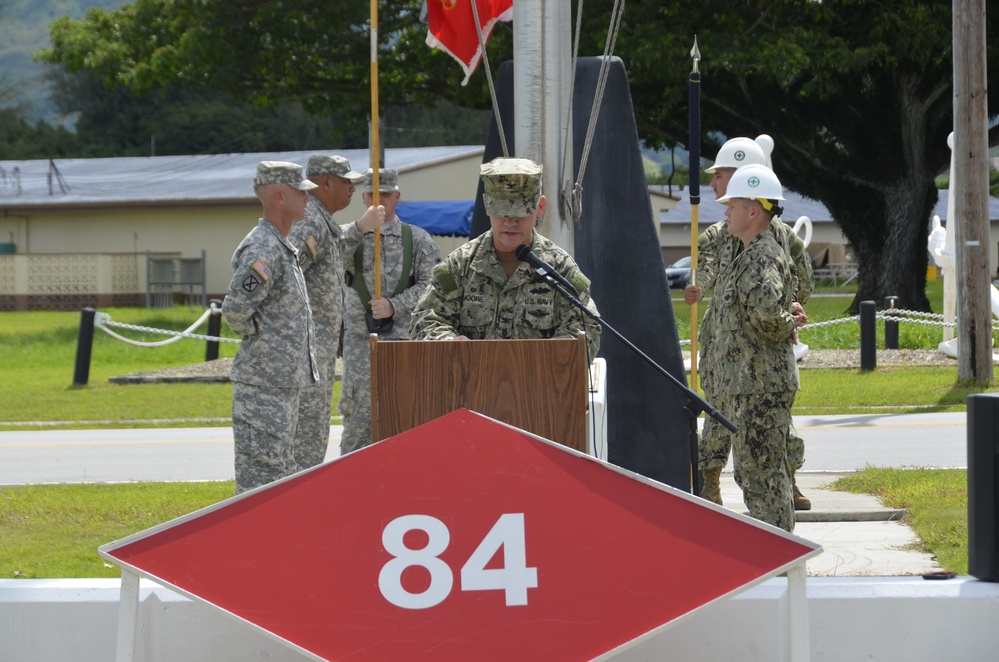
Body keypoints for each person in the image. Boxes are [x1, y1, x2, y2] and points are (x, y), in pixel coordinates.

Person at [685, 136, 814, 510]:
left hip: (761, 363)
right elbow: (703, 267)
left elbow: (800, 283)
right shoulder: (725, 234)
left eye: (721, 175)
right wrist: (698, 285)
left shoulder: (775, 242)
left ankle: (785, 486)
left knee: (767, 445)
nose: (714, 184)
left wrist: (787, 308)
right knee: (720, 422)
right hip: (729, 354)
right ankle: (711, 482)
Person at [411, 156, 601, 360]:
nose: (510, 222)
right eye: (502, 212)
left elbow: (587, 327)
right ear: (487, 205)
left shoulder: (560, 269)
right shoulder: (460, 266)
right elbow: (423, 321)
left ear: (540, 207)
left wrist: (545, 358)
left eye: (520, 213)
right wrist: (450, 344)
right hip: (472, 385)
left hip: (538, 385)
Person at [699, 164, 799, 532]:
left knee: (763, 479)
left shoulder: (759, 257)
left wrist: (788, 322)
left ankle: (781, 560)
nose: (725, 212)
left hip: (761, 387)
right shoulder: (748, 252)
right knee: (756, 476)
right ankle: (777, 557)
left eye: (732, 206)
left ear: (753, 211)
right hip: (747, 386)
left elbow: (769, 317)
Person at [221, 161, 319, 494]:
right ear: (279, 195)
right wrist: (267, 343)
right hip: (263, 384)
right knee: (260, 476)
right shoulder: (263, 248)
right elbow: (234, 311)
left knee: (279, 471)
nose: (308, 198)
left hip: (281, 383)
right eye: (300, 192)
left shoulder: (281, 246)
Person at [286, 155, 386, 470]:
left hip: (318, 350)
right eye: (347, 182)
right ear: (325, 182)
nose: (353, 188)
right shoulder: (311, 220)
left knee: (313, 437)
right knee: (306, 439)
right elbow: (286, 272)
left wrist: (358, 227)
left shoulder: (321, 221)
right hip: (307, 352)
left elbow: (330, 248)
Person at [338, 168, 442, 454]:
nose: (379, 200)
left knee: (406, 421)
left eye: (385, 194)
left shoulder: (417, 239)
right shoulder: (349, 236)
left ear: (397, 196)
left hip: (403, 344)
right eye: (372, 194)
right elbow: (328, 266)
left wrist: (396, 305)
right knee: (358, 425)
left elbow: (434, 285)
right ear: (363, 197)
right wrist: (359, 227)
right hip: (360, 348)